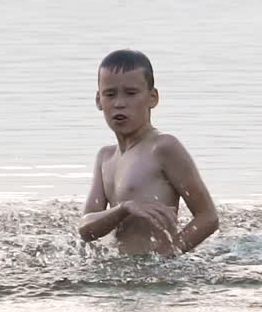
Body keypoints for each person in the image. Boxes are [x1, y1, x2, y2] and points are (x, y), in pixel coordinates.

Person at [78, 49, 219, 255]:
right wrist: (124, 209)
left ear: (152, 98)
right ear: (99, 100)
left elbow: (208, 217)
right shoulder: (105, 158)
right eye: (110, 94)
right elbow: (86, 230)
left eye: (131, 93)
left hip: (158, 271)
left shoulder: (163, 147)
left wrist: (169, 253)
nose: (119, 103)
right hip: (123, 270)